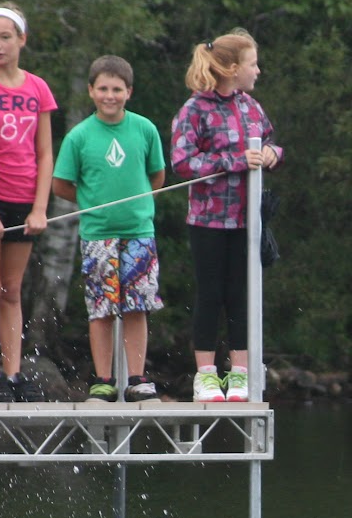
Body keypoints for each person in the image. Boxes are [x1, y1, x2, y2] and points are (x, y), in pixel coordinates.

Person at [169, 29, 281, 403]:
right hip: (208, 220)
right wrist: (234, 161)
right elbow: (183, 162)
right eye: (253, 64)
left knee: (240, 294)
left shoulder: (251, 106)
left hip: (246, 221)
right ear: (233, 68)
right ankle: (205, 375)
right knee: (211, 294)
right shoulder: (194, 109)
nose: (258, 71)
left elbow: (270, 141)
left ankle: (239, 373)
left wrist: (271, 155)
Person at [53, 55, 167, 402]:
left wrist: (137, 205)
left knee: (136, 306)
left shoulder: (145, 128)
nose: (110, 95)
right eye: (103, 88)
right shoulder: (80, 136)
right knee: (101, 308)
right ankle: (103, 379)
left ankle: (137, 377)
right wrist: (91, 202)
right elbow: (61, 185)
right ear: (91, 91)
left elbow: (157, 176)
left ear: (129, 92)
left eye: (117, 89)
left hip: (138, 232)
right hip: (98, 234)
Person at [0, 4, 57, 402]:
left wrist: (40, 207)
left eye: (5, 37)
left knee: (13, 289)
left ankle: (16, 373)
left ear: (22, 39)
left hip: (24, 196)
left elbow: (45, 152)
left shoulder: (37, 87)